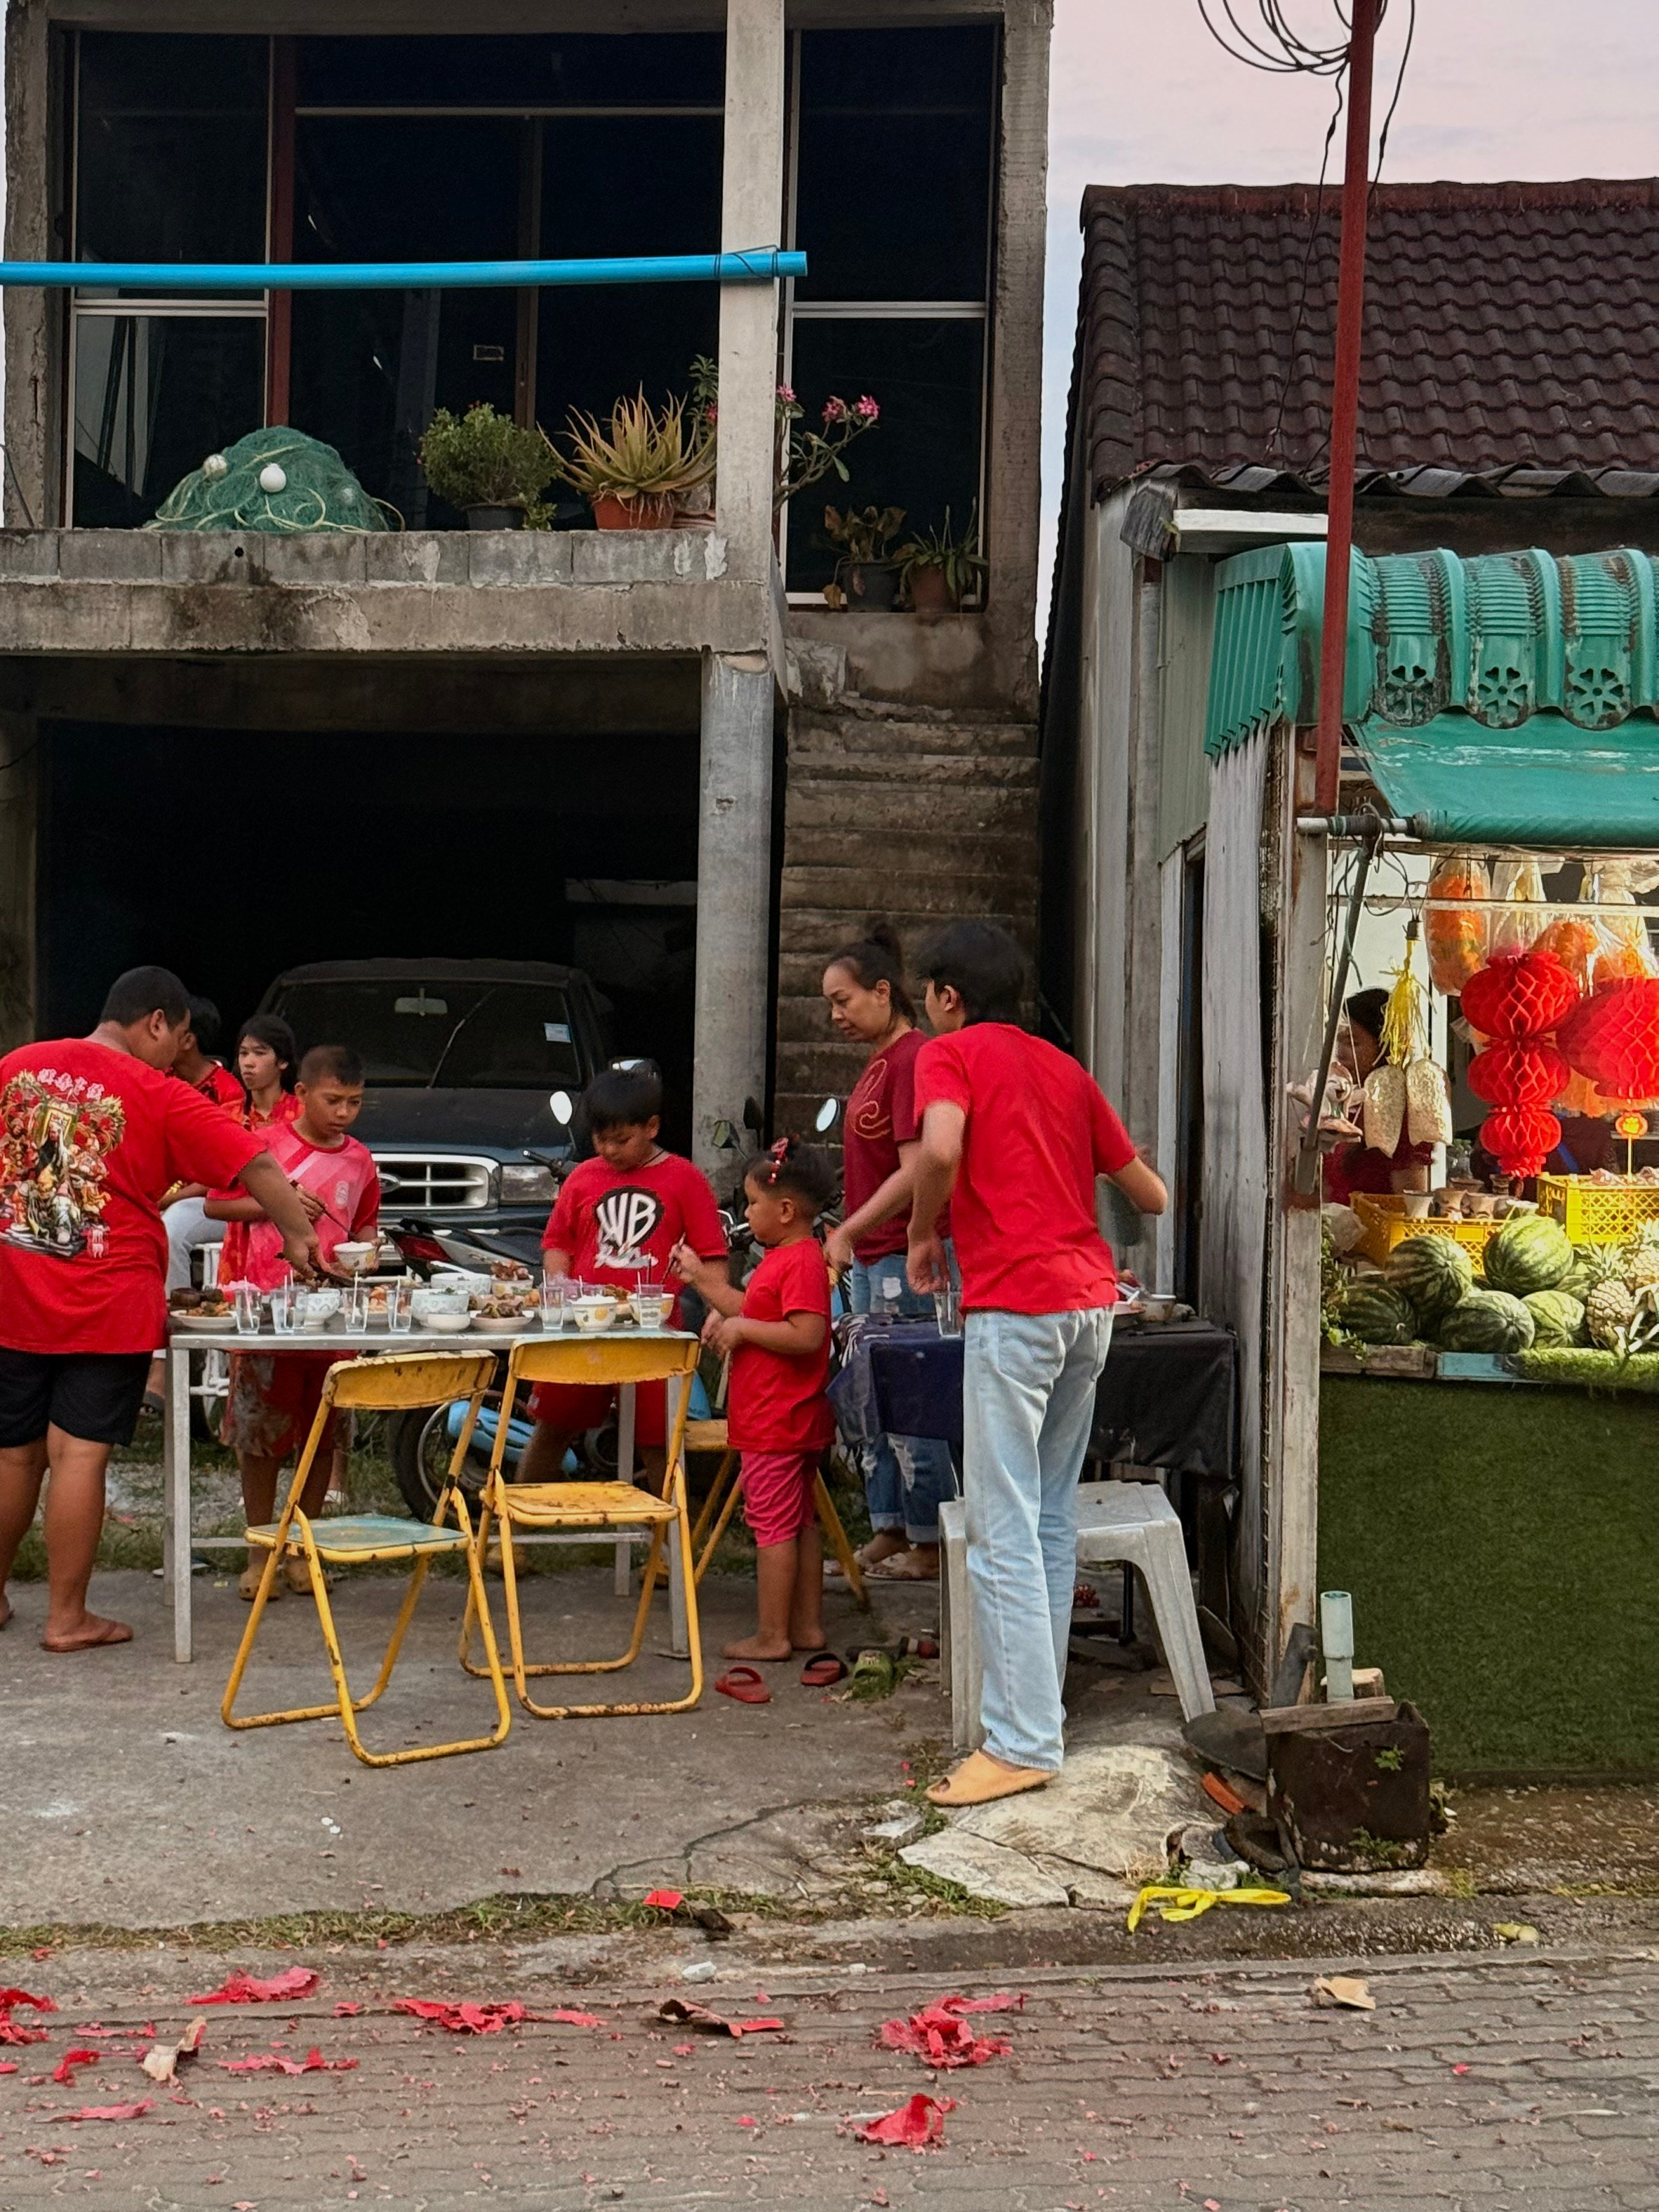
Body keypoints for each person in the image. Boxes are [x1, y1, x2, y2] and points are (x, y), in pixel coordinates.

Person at [901, 921, 1166, 1807]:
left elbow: (939, 1148)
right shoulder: (1065, 1067)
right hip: (1090, 1307)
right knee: (1049, 1519)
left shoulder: (952, 1057)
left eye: (927, 998)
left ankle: (1019, 1741)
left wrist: (921, 1230)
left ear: (946, 995)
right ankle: (1036, 1721)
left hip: (1016, 1305)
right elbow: (1151, 1194)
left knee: (1001, 1523)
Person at [0, 967, 324, 1651]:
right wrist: (299, 1235)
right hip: (105, 1302)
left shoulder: (17, 1067)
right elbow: (257, 1163)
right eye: (178, 1037)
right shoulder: (159, 1092)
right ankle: (66, 1617)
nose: (179, 1051)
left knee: (13, 1455)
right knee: (79, 1452)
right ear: (154, 1022)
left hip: (12, 1291)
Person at [205, 1045, 380, 1600]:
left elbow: (368, 1225)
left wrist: (368, 1253)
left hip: (332, 1320)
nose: (344, 1113)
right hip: (268, 1312)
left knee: (322, 1439)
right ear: (301, 1094)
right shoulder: (265, 1148)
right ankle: (261, 1553)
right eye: (334, 1100)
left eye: (354, 1102)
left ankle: (305, 1551)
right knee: (261, 1441)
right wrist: (276, 1206)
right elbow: (216, 1203)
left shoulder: (361, 1160)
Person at [820, 924, 958, 1581]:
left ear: (884, 991)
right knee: (874, 1398)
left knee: (916, 1400)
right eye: (830, 1005)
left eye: (844, 1000)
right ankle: (891, 1527)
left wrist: (848, 1230)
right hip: (874, 1257)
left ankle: (930, 1540)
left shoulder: (914, 1060)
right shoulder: (879, 1062)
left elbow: (914, 1171)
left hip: (904, 1256)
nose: (836, 1015)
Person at [517, 1066, 726, 1489]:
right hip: (582, 1330)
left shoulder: (685, 1179)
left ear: (652, 1128)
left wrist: (718, 1309)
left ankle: (665, 1546)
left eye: (621, 1140)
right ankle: (515, 1533)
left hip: (655, 1334)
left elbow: (711, 1256)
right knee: (551, 1428)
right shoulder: (582, 1177)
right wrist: (558, 1289)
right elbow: (558, 1243)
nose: (609, 1150)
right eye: (600, 1139)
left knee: (657, 1440)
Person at [672, 1140, 836, 1665]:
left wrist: (745, 1328)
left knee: (772, 1526)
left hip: (777, 1418)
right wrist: (702, 1280)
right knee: (800, 1522)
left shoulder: (802, 1262)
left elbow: (808, 1335)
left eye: (751, 1203)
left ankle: (772, 1635)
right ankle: (806, 1626)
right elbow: (747, 1307)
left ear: (785, 1210)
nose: (745, 1213)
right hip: (787, 1416)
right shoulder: (785, 1257)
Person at [214, 1015, 302, 1289]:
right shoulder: (226, 1116)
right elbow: (214, 1190)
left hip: (294, 1230)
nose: (248, 1062)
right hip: (241, 1229)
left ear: (283, 1062)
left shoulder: (302, 1114)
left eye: (260, 1053)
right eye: (243, 1053)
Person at [1323, 987, 1433, 1204]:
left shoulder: (1405, 1116)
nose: (1341, 1053)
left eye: (1353, 1043)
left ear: (1384, 1047)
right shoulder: (1344, 1102)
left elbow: (1409, 1202)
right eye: (1340, 1042)